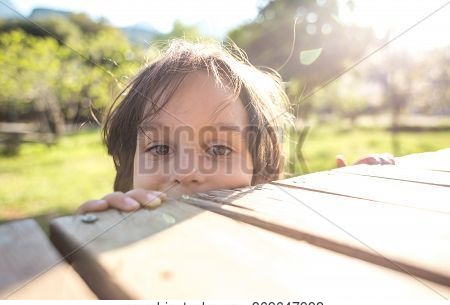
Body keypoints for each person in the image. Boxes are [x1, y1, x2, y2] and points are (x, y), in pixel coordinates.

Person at [77, 39, 394, 214]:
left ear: (262, 171)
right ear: (130, 166)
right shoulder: (119, 246)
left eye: (218, 149)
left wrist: (354, 211)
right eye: (159, 148)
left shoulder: (285, 237)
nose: (187, 171)